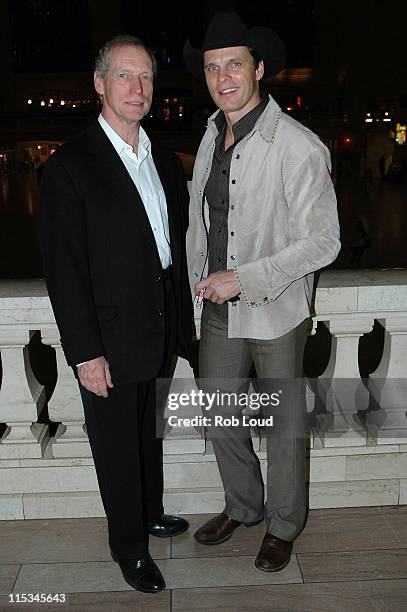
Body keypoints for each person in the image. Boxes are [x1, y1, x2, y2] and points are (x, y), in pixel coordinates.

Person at [184, 12, 340, 572]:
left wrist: (245, 278)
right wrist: (199, 284)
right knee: (220, 411)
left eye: (234, 64)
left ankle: (283, 525)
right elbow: (201, 221)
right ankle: (244, 506)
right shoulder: (209, 134)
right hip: (218, 306)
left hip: (274, 307)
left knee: (283, 424)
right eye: (211, 67)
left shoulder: (297, 145)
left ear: (259, 69)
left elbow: (324, 242)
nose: (223, 77)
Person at [39, 35, 193, 594]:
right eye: (125, 76)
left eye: (147, 77)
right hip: (108, 337)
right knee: (116, 448)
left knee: (146, 436)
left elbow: (170, 251)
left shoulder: (164, 160)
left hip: (160, 330)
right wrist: (84, 353)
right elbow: (65, 272)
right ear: (99, 84)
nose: (138, 88)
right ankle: (129, 548)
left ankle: (150, 512)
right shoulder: (69, 168)